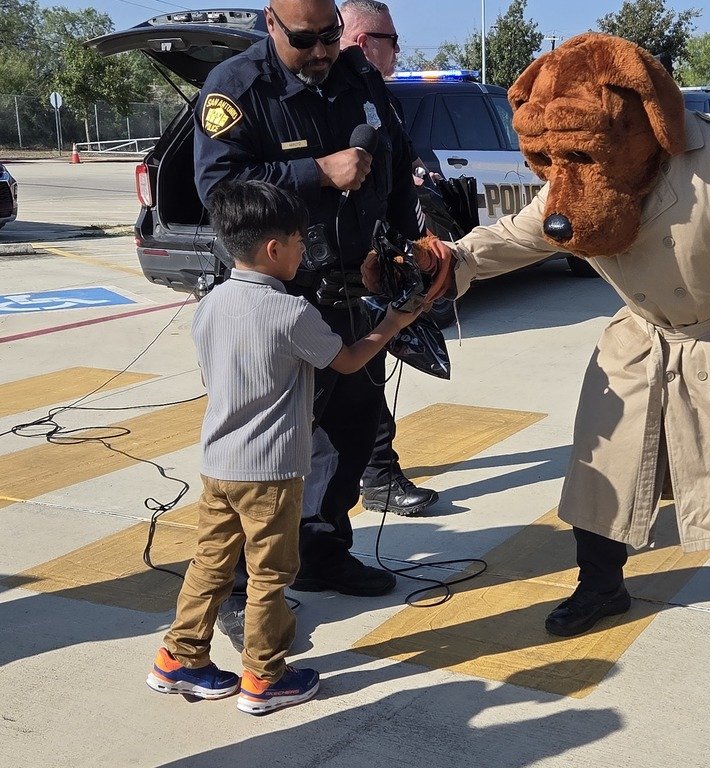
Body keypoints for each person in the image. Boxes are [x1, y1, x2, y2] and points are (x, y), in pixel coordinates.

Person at [373, 34, 710, 640]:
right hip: (643, 335)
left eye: (580, 155)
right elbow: (521, 233)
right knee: (603, 469)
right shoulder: (572, 173)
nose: (566, 175)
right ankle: (600, 587)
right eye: (555, 159)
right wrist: (447, 259)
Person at [193, 0, 435, 650]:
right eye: (308, 40)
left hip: (351, 292)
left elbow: (398, 161)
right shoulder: (237, 90)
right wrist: (315, 173)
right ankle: (240, 589)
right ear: (272, 26)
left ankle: (323, 546)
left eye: (332, 35)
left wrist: (409, 239)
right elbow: (217, 190)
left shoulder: (359, 80)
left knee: (354, 427)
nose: (323, 50)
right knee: (265, 450)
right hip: (274, 303)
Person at [146, 180, 422, 714]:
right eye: (299, 240)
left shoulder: (211, 302)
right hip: (269, 473)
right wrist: (392, 323)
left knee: (211, 564)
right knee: (270, 576)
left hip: (218, 462)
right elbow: (345, 360)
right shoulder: (290, 312)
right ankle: (265, 677)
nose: (305, 249)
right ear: (274, 249)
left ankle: (179, 658)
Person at [338, 0, 440, 517]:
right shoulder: (326, 94)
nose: (397, 49)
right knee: (343, 384)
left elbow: (398, 170)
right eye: (391, 39)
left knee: (366, 375)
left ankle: (375, 476)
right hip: (316, 270)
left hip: (369, 264)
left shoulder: (376, 93)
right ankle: (373, 476)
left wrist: (407, 247)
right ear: (363, 41)